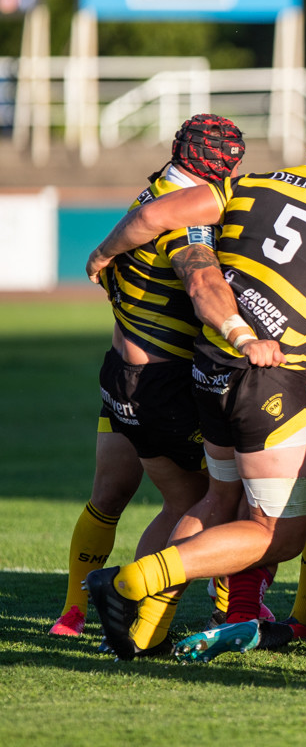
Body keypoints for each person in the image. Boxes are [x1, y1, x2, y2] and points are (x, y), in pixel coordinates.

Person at [82, 102, 306, 661]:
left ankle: (146, 631)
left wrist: (103, 253)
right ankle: (129, 582)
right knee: (279, 534)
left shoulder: (247, 184)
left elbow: (151, 218)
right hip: (270, 379)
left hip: (207, 369)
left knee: (218, 496)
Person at [50, 115, 245, 652]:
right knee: (204, 500)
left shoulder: (158, 185)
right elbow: (202, 278)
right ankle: (142, 606)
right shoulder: (189, 221)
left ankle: (73, 610)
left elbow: (143, 223)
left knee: (107, 496)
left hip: (120, 373)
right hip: (159, 383)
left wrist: (103, 253)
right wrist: (238, 331)